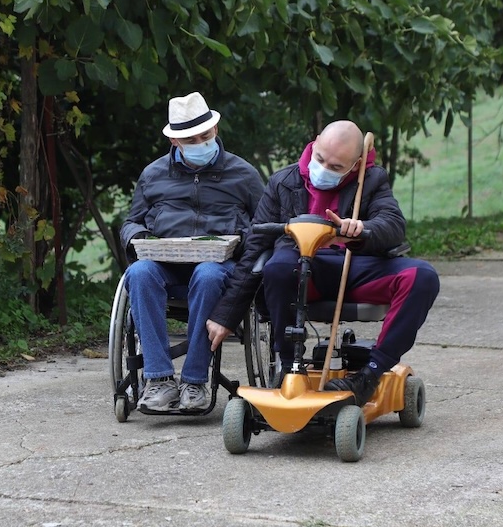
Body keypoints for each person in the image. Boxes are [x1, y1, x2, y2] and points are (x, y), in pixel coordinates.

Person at [206, 120, 440, 405]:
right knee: (276, 266)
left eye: (337, 167)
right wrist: (225, 315)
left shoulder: (372, 179)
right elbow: (255, 249)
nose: (324, 169)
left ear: (356, 165)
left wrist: (362, 229)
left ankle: (370, 373)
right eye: (320, 159)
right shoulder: (282, 182)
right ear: (315, 142)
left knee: (423, 276)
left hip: (355, 266)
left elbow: (392, 225)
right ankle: (289, 366)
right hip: (303, 269)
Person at [120, 92, 265, 412]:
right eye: (190, 138)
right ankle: (158, 379)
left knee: (209, 273)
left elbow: (264, 226)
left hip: (219, 269)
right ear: (174, 140)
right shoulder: (153, 175)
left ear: (216, 130)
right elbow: (131, 222)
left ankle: (195, 380)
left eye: (206, 135)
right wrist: (141, 238)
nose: (201, 142)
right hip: (166, 266)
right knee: (139, 272)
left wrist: (238, 240)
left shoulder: (244, 174)